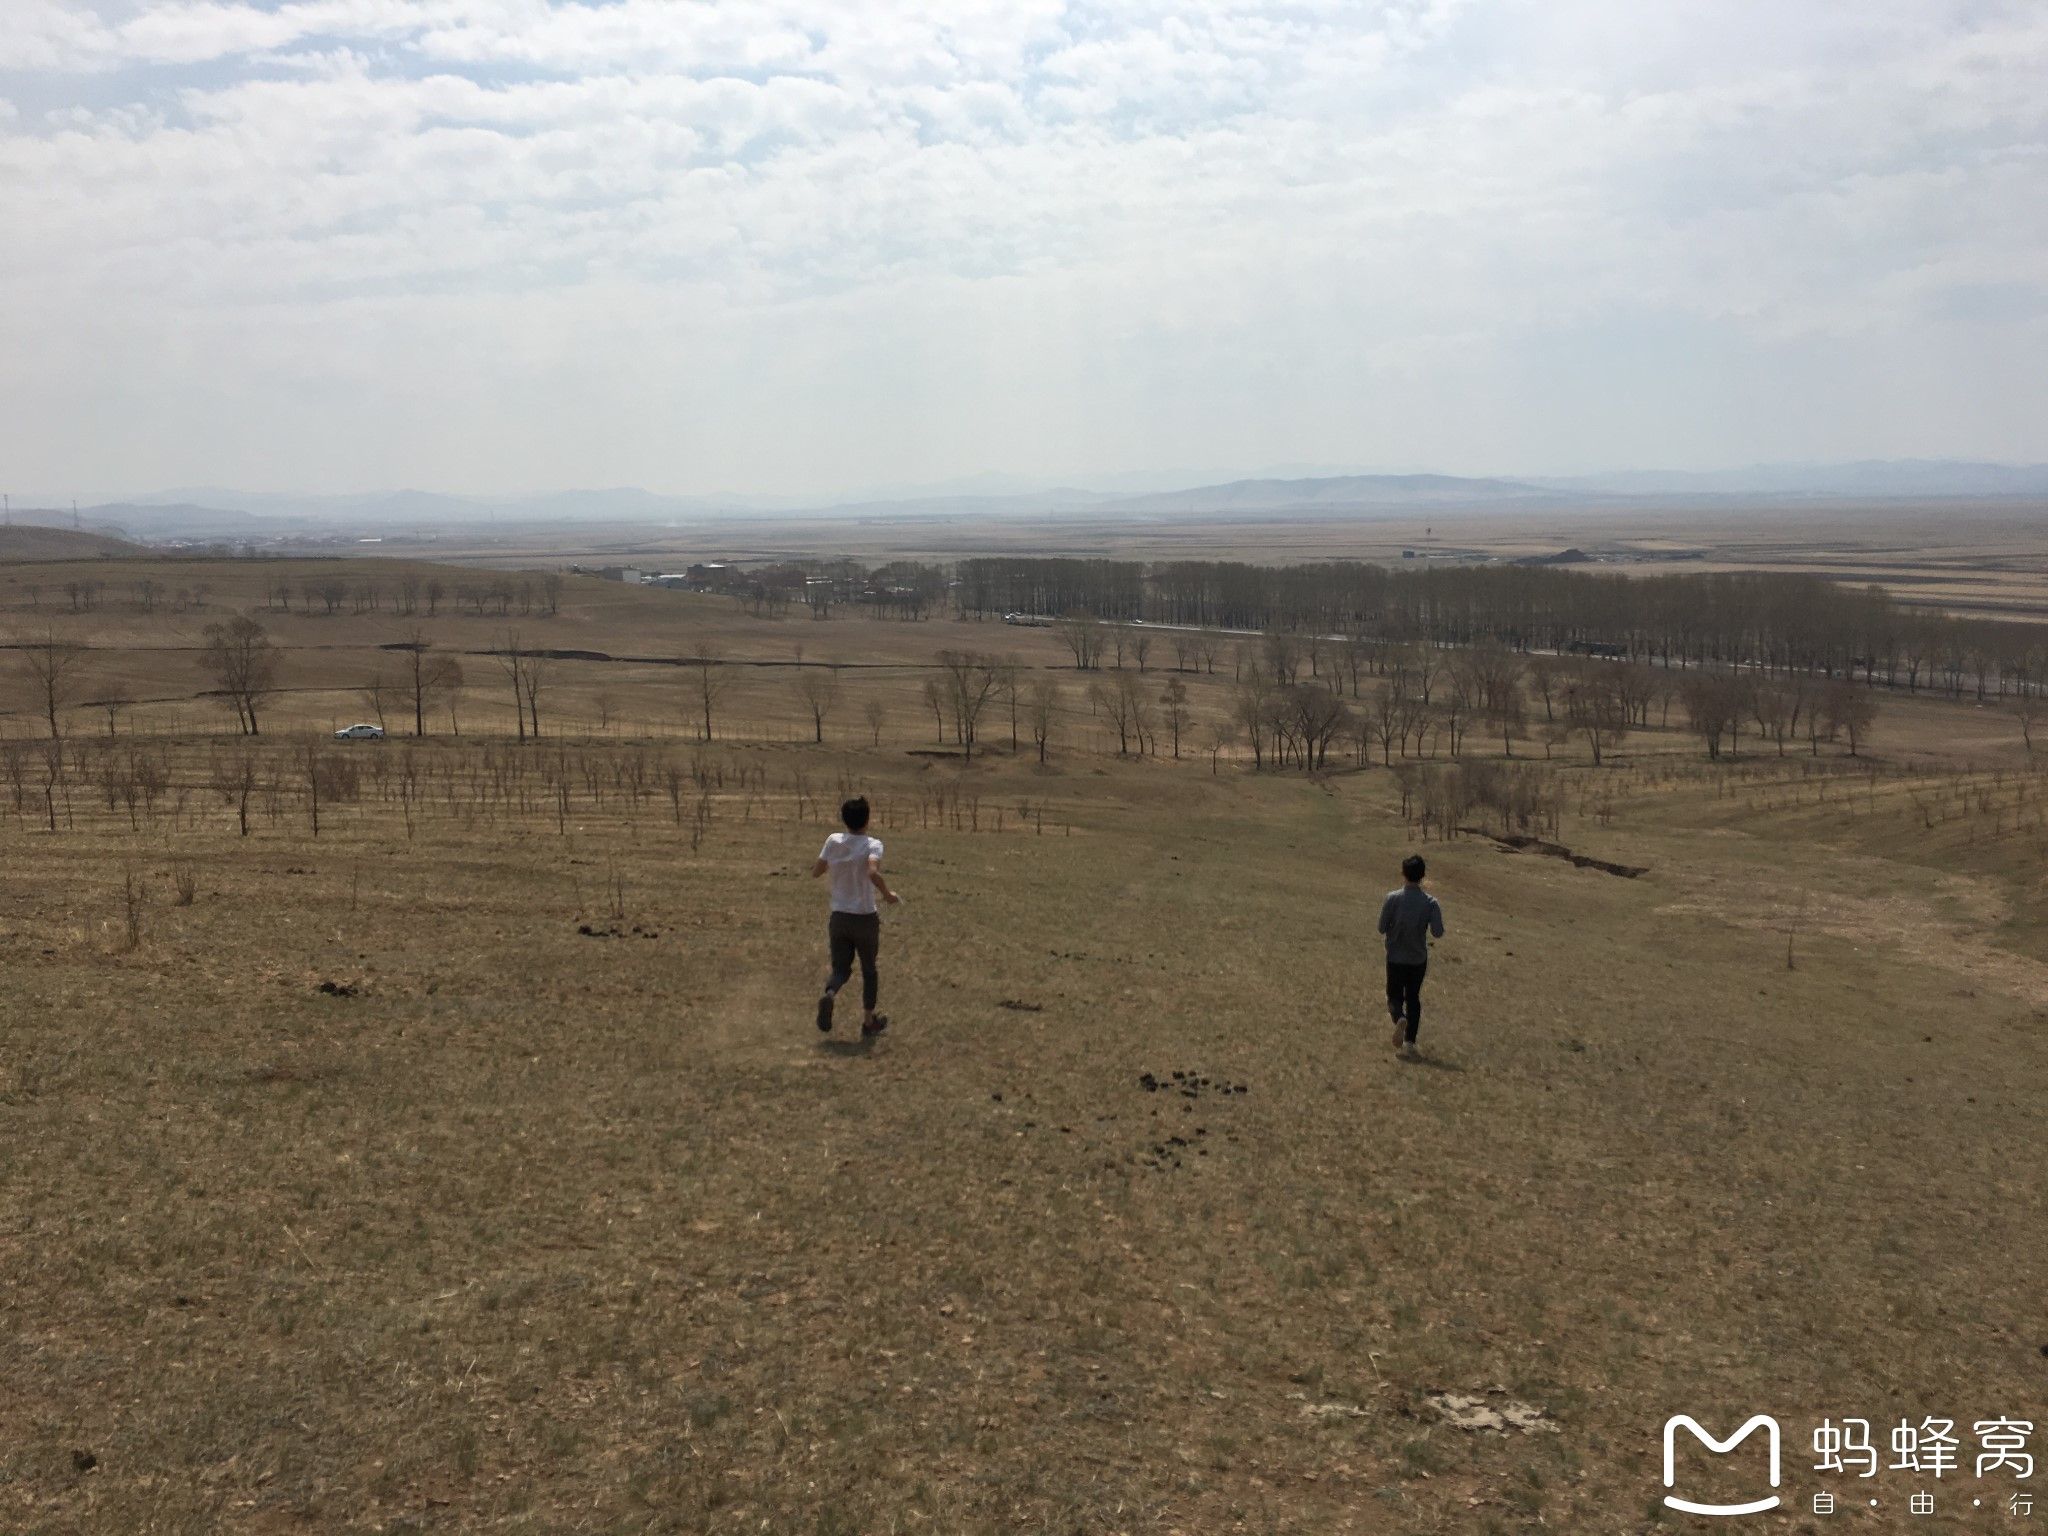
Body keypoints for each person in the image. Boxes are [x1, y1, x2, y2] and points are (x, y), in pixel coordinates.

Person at [811, 796, 900, 1037]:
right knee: (869, 970)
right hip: (864, 917)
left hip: (839, 916)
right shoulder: (872, 844)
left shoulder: (833, 841)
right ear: (867, 820)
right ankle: (868, 1022)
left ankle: (830, 993)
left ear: (844, 819)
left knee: (841, 968)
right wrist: (887, 894)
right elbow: (872, 872)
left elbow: (817, 871)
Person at [1377, 853, 1444, 1058]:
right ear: (1422, 876)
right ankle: (1410, 1043)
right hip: (1418, 959)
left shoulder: (1392, 898)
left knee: (1394, 996)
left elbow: (1381, 928)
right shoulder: (1431, 903)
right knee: (1413, 998)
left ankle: (1399, 1018)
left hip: (1396, 957)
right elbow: (1438, 932)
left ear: (1403, 874)